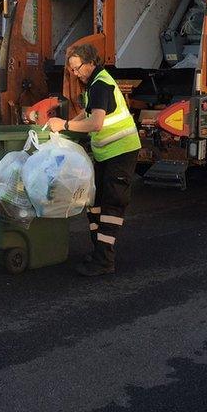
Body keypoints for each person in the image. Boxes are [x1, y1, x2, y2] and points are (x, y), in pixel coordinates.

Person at [46, 43, 141, 276]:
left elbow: (96, 124)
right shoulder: (93, 84)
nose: (75, 73)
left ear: (90, 63)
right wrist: (63, 128)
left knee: (111, 206)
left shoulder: (100, 85)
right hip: (107, 154)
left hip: (121, 153)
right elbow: (87, 114)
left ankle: (104, 261)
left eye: (77, 68)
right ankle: (100, 251)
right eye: (72, 70)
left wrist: (66, 125)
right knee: (94, 203)